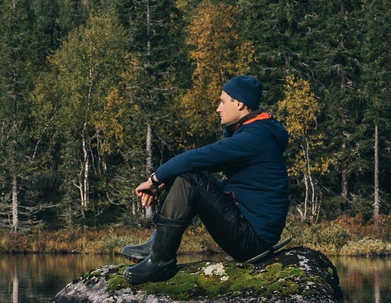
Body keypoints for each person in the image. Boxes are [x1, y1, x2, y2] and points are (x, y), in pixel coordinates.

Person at [121, 75, 288, 285]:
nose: (218, 108)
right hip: (250, 233)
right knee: (190, 172)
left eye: (222, 102)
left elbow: (199, 156)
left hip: (252, 241)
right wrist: (164, 181)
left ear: (239, 103)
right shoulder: (252, 132)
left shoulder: (255, 137)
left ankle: (161, 261)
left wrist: (154, 179)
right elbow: (201, 162)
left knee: (191, 177)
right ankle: (159, 245)